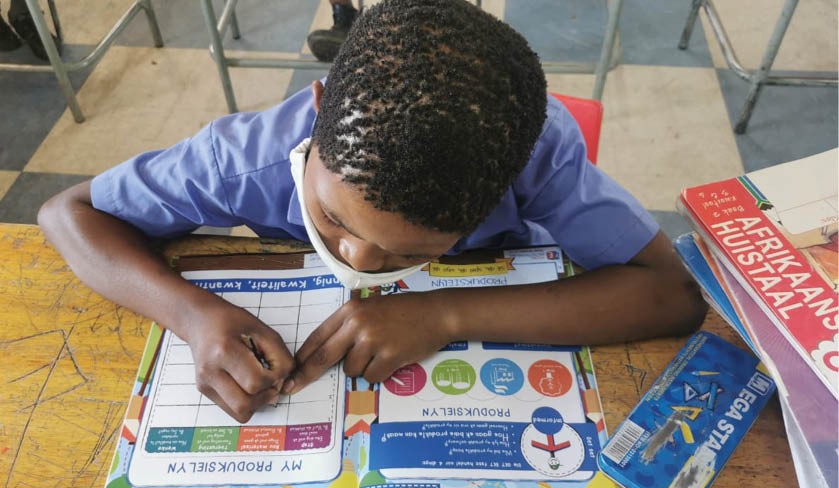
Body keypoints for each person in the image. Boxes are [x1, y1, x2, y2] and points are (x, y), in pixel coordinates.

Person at [38, 0, 707, 424]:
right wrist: (190, 314)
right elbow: (67, 213)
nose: (360, 263)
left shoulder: (536, 151)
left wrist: (444, 313)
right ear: (320, 108)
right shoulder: (246, 158)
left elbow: (675, 293)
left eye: (407, 253)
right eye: (334, 220)